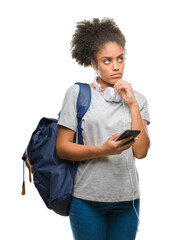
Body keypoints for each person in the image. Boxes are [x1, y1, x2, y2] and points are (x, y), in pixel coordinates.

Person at [56, 17, 150, 240]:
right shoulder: (77, 94)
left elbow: (141, 152)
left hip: (128, 201)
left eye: (120, 59)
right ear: (93, 64)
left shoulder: (139, 99)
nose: (116, 66)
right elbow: (62, 148)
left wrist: (133, 104)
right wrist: (103, 150)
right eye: (107, 61)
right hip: (87, 200)